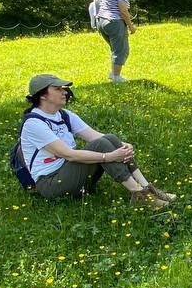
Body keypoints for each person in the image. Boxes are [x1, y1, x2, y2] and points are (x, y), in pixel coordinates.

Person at [18, 74, 175, 205]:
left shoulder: (64, 115)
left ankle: (147, 188)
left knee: (110, 138)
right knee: (101, 145)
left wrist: (122, 146)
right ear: (43, 95)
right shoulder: (34, 123)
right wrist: (108, 157)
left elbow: (96, 136)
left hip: (70, 173)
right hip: (51, 183)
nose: (65, 92)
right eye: (58, 89)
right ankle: (139, 194)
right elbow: (69, 155)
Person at [92, 0, 136, 83]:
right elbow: (123, 11)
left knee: (115, 49)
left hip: (101, 21)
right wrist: (131, 26)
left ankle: (113, 73)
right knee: (121, 50)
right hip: (114, 22)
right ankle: (116, 77)